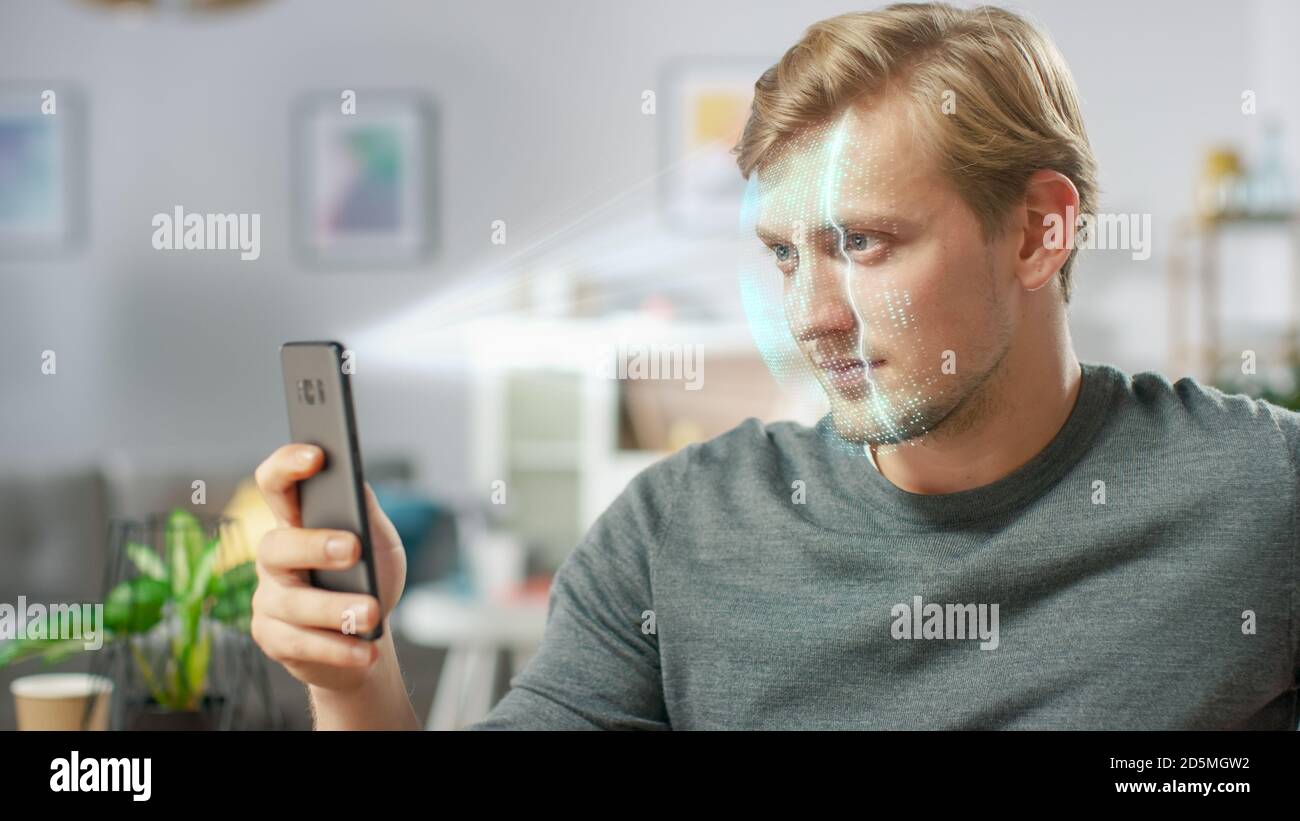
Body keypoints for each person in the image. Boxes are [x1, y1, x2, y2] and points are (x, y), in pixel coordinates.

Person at [250, 2, 1299, 729]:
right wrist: (351, 673)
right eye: (787, 254)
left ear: (1035, 232)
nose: (810, 317)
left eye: (864, 243)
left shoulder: (1264, 494)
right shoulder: (675, 532)